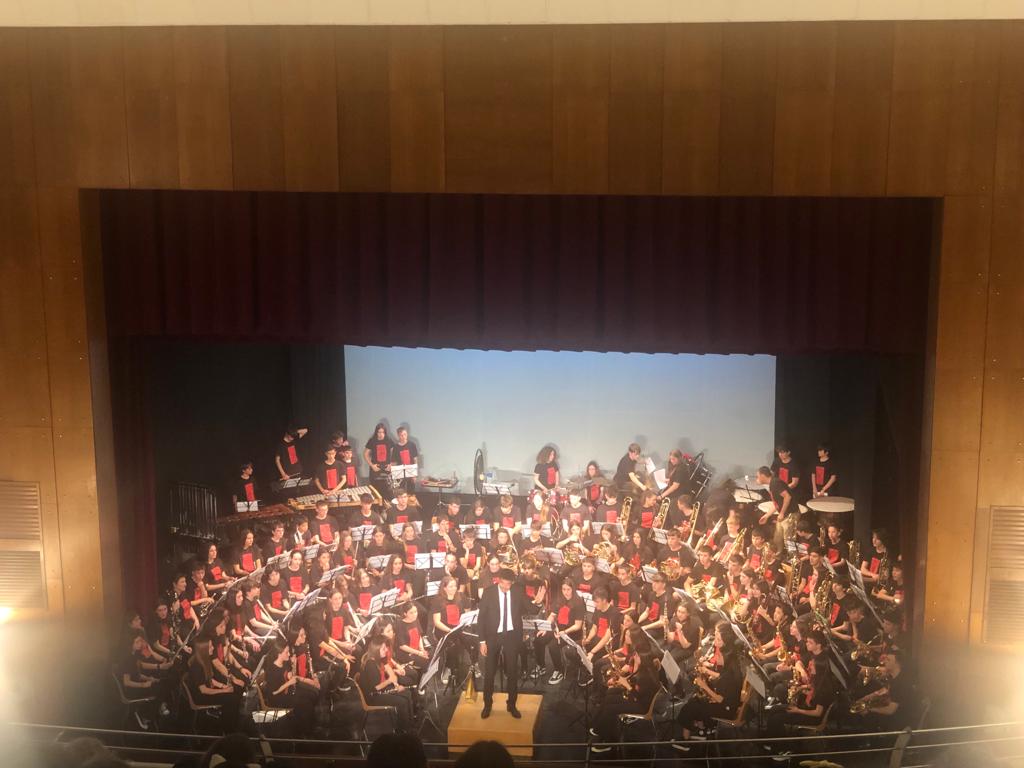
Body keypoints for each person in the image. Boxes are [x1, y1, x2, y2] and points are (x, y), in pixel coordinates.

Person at [478, 568, 526, 719]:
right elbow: (481, 619)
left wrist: (538, 601)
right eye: (503, 584)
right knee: (490, 673)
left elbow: (528, 607)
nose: (506, 587)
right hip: (493, 636)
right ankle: (487, 704)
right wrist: (482, 641)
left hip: (512, 636)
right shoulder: (488, 592)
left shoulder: (517, 590)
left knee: (512, 671)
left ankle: (511, 704)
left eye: (509, 584)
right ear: (498, 580)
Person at [358, 637, 414, 732]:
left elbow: (389, 673)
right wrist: (389, 681)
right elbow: (375, 687)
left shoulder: (379, 659)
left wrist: (396, 685)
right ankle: (403, 730)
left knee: (407, 693)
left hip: (380, 691)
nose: (386, 650)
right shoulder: (370, 664)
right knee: (402, 702)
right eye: (383, 648)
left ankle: (409, 723)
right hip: (373, 697)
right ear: (376, 650)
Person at [364, 423, 395, 499]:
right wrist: (372, 465)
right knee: (375, 491)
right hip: (375, 468)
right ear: (376, 432)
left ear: (385, 432)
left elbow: (394, 454)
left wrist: (391, 464)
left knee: (387, 490)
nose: (381, 434)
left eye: (382, 432)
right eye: (379, 432)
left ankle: (387, 508)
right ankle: (376, 509)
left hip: (386, 468)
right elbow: (365, 454)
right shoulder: (372, 440)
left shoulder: (389, 440)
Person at [391, 426, 419, 493]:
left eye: (405, 434)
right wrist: (394, 475)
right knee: (401, 492)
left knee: (411, 492)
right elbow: (394, 462)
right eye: (401, 435)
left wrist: (415, 474)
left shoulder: (412, 445)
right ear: (398, 436)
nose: (403, 437)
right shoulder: (395, 447)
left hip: (410, 472)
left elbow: (415, 459)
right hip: (400, 473)